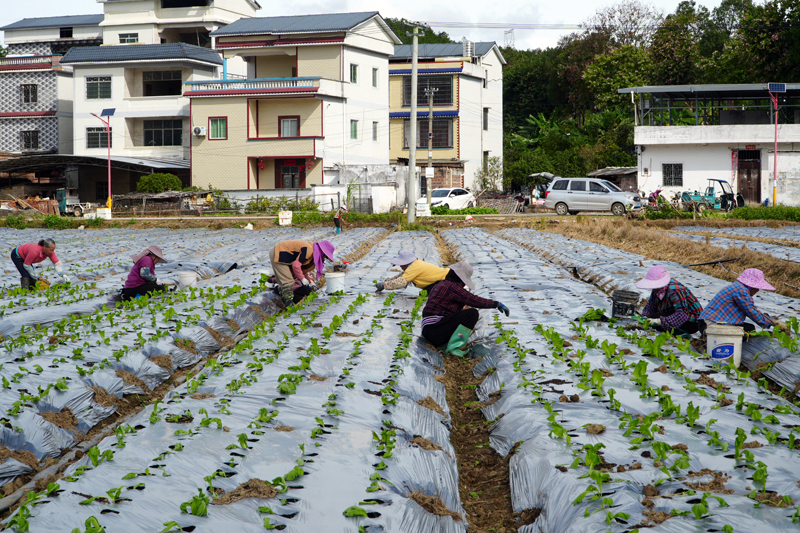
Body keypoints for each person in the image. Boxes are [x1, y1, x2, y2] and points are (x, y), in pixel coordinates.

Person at [421, 261, 510, 357]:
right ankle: (454, 348)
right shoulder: (453, 287)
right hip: (436, 329)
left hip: (428, 330)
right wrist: (496, 304)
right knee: (471, 314)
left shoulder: (440, 284)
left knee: (460, 315)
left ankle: (444, 345)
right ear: (461, 279)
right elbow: (475, 300)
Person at [700, 268, 790, 334]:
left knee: (749, 328)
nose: (758, 290)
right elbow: (751, 311)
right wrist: (772, 323)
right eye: (756, 287)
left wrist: (771, 320)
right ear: (750, 285)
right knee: (746, 331)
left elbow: (753, 309)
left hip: (709, 322)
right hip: (711, 324)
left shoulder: (738, 287)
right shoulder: (741, 290)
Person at [636, 265, 703, 335]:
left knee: (656, 320)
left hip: (692, 321)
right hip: (673, 313)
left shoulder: (675, 290)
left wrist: (660, 321)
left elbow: (682, 314)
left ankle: (679, 332)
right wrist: (645, 316)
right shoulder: (657, 289)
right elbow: (651, 304)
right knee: (652, 317)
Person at [270, 240, 335, 307]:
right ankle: (289, 305)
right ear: (322, 252)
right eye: (325, 256)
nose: (324, 258)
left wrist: (310, 282)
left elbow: (302, 270)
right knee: (288, 282)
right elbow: (296, 266)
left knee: (284, 282)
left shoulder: (311, 251)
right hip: (279, 253)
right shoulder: (309, 250)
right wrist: (302, 278)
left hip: (280, 254)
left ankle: (285, 302)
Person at [375, 251, 449, 293]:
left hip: (446, 281)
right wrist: (388, 281)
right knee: (424, 294)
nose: (400, 267)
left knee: (427, 295)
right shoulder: (414, 264)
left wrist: (384, 285)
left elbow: (402, 282)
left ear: (405, 263)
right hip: (440, 282)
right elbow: (402, 275)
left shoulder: (415, 266)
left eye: (401, 265)